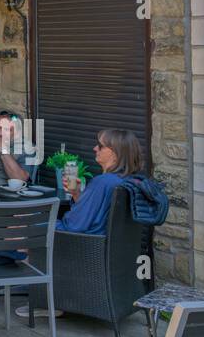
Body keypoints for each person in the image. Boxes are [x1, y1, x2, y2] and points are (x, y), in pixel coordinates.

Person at [15, 128, 148, 321]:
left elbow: (74, 226)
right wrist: (77, 194)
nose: (95, 148)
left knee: (21, 223)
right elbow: (94, 216)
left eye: (100, 146)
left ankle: (47, 297)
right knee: (29, 229)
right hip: (110, 250)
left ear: (114, 152)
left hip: (83, 248)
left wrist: (35, 222)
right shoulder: (131, 181)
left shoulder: (102, 183)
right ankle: (41, 284)